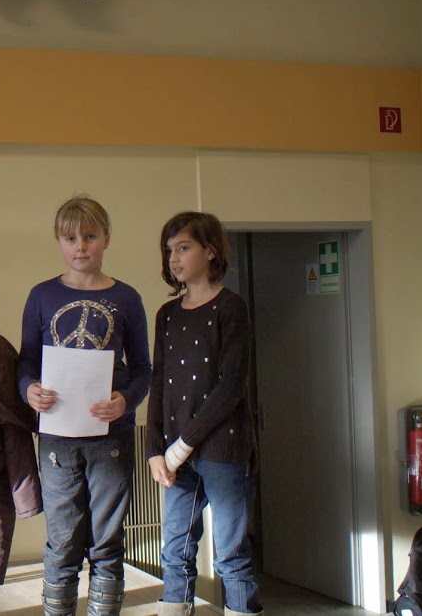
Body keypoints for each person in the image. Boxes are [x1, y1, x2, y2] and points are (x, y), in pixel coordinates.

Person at [17, 195, 151, 616]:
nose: (81, 246)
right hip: (57, 438)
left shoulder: (127, 298)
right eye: (70, 238)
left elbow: (143, 368)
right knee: (62, 540)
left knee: (107, 541)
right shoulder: (41, 295)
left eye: (90, 237)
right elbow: (26, 361)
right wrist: (28, 389)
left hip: (111, 438)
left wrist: (125, 400)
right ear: (58, 241)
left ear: (106, 239)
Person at [146, 211, 263, 616]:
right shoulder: (167, 315)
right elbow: (159, 384)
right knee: (175, 550)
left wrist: (183, 445)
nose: (174, 258)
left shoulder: (231, 307)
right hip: (176, 454)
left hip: (223, 451)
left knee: (231, 555)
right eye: (169, 250)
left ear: (210, 251)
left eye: (184, 248)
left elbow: (231, 385)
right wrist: (154, 449)